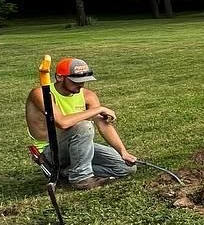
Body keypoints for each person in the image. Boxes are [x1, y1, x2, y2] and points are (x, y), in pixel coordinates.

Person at [26, 57, 137, 190]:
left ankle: (64, 173)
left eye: (84, 81)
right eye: (75, 81)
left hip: (76, 146)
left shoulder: (88, 96)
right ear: (60, 77)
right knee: (83, 126)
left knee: (125, 167)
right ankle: (81, 179)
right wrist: (99, 109)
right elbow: (62, 123)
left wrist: (122, 151)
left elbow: (104, 125)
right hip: (50, 150)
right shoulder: (41, 93)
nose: (81, 85)